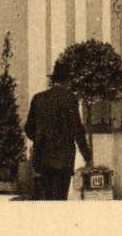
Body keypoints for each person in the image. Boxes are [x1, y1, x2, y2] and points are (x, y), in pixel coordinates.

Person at [25, 60, 92, 201]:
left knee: (45, 200)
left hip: (42, 157)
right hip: (63, 158)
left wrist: (39, 139)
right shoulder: (69, 98)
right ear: (67, 80)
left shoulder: (38, 98)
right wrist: (86, 155)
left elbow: (28, 128)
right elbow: (77, 129)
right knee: (60, 200)